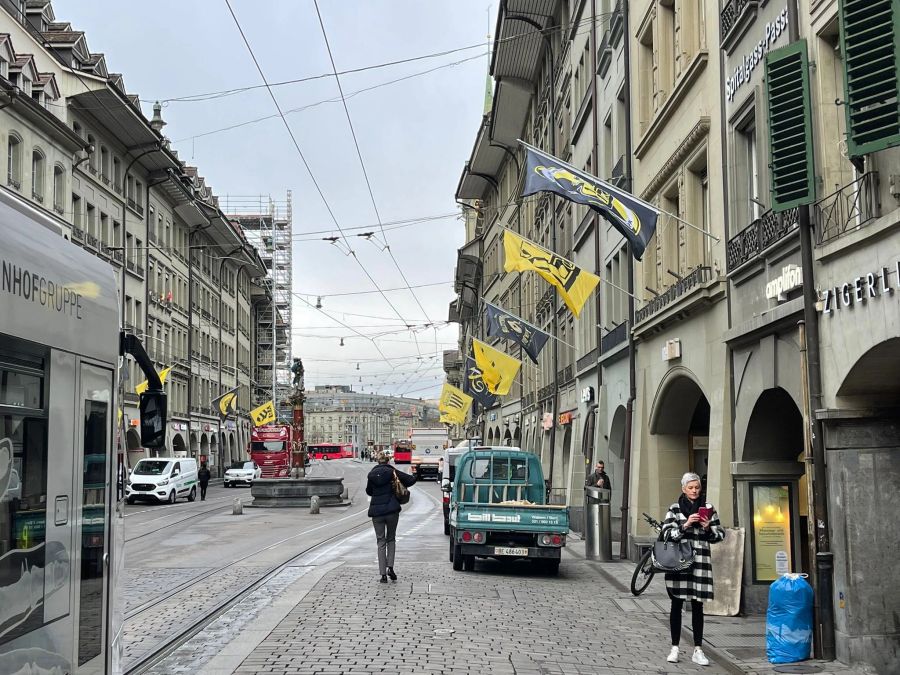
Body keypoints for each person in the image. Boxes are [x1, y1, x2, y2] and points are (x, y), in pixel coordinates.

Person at [661, 472, 725, 666]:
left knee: (698, 606)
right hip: (679, 562)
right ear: (683, 489)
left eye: (697, 487)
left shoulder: (708, 508)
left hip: (701, 564)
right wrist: (686, 525)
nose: (695, 491)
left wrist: (707, 528)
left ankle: (698, 649)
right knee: (676, 605)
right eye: (691, 487)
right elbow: (666, 534)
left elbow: (721, 535)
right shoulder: (674, 508)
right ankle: (674, 648)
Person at [365, 450, 416, 583]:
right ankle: (390, 568)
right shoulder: (392, 471)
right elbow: (410, 480)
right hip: (392, 510)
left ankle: (382, 575)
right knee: (391, 539)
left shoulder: (371, 475)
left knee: (380, 541)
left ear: (377, 461)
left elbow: (368, 491)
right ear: (388, 461)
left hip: (376, 512)